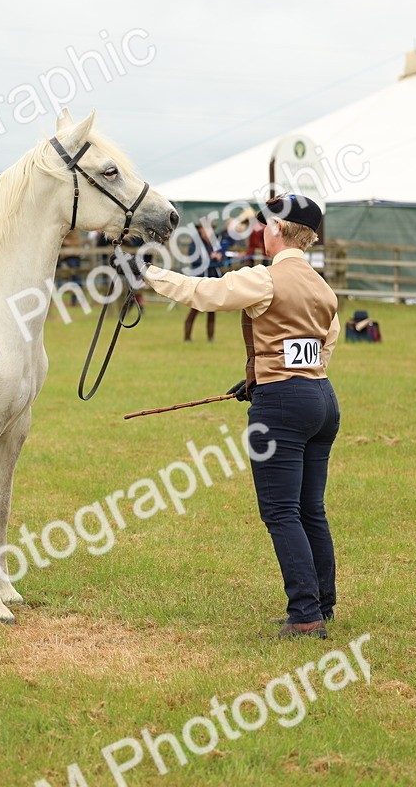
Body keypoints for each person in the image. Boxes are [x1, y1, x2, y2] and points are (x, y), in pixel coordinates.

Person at [130, 195, 341, 640]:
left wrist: (147, 273)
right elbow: (322, 347)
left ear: (279, 231)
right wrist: (261, 377)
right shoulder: (325, 289)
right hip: (322, 398)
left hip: (283, 406)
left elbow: (204, 293)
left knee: (281, 512)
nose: (262, 232)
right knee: (310, 510)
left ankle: (305, 616)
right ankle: (322, 603)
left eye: (267, 226)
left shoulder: (265, 279)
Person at [182, 221, 222, 342]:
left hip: (212, 278)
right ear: (200, 229)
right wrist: (211, 258)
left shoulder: (213, 243)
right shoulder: (194, 243)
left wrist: (218, 257)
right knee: (195, 308)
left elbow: (220, 257)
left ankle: (211, 338)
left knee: (212, 310)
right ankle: (187, 337)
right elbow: (195, 260)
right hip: (200, 280)